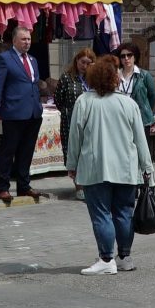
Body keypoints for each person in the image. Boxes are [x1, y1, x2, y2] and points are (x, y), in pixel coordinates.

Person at [66, 55, 154, 275]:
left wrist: (72, 164)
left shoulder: (84, 101)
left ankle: (106, 259)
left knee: (101, 214)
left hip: (95, 168)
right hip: (126, 168)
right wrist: (148, 170)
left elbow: (74, 136)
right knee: (124, 213)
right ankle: (124, 257)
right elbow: (140, 141)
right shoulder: (129, 103)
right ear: (115, 79)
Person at [0, 26, 43, 202]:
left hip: (33, 112)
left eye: (28, 39)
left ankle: (24, 186)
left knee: (26, 152)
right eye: (23, 39)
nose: (27, 42)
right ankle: (2, 187)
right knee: (8, 151)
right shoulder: (5, 59)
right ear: (14, 41)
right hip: (13, 112)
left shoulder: (33, 60)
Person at [54, 48, 96, 201]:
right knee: (74, 152)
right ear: (76, 61)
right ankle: (78, 185)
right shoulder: (67, 78)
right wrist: (68, 112)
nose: (84, 66)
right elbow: (58, 99)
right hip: (70, 121)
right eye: (82, 62)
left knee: (89, 152)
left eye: (88, 63)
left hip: (91, 121)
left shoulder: (95, 79)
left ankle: (89, 184)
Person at [114, 43, 155, 154]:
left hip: (141, 119)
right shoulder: (115, 75)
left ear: (135, 57)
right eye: (123, 56)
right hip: (120, 119)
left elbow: (152, 96)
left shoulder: (144, 75)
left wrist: (145, 109)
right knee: (122, 152)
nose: (126, 58)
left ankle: (145, 171)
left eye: (129, 55)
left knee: (142, 151)